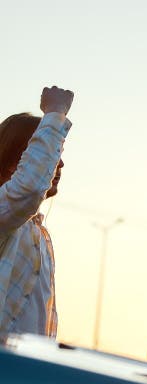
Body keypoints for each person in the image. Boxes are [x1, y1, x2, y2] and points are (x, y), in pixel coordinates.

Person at [0, 86, 74, 337]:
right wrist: (56, 112)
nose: (59, 163)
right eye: (50, 152)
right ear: (13, 161)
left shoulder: (38, 234)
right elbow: (29, 189)